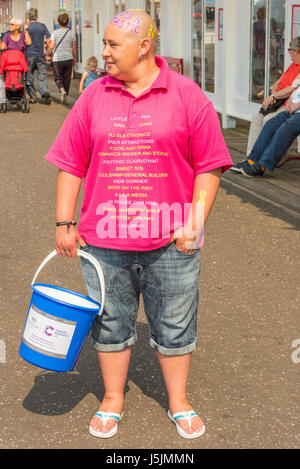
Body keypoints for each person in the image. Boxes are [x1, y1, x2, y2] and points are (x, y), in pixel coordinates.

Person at [45, 10, 232, 440]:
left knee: (176, 323)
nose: (103, 53)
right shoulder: (93, 96)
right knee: (111, 322)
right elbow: (71, 163)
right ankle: (113, 399)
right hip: (103, 241)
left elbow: (210, 165)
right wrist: (63, 222)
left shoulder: (187, 95)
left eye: (113, 45)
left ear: (144, 46)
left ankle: (179, 401)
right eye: (105, 44)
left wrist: (195, 221)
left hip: (172, 242)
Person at [244, 37, 300, 160]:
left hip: (289, 104)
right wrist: (274, 95)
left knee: (269, 120)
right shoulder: (292, 65)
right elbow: (277, 83)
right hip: (279, 101)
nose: (290, 55)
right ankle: (251, 156)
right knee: (256, 117)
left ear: (295, 50)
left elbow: (292, 88)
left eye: (290, 51)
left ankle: (272, 156)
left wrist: (274, 96)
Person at [231, 82, 300, 177]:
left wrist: (297, 105)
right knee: (271, 124)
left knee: (286, 129)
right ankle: (252, 160)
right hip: (294, 110)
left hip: (297, 110)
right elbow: (296, 88)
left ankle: (263, 165)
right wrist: (290, 101)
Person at [48, 13, 77, 104]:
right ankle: (65, 94)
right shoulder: (71, 33)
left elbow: (52, 46)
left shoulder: (55, 33)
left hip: (57, 59)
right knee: (67, 78)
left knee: (57, 77)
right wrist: (75, 58)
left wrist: (48, 54)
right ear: (68, 22)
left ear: (59, 22)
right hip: (69, 58)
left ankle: (62, 90)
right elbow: (74, 48)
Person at [25, 8, 51, 105]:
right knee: (42, 75)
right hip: (40, 54)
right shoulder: (42, 26)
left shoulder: (26, 27)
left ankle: (32, 97)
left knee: (29, 76)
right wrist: (48, 53)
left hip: (29, 55)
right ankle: (44, 92)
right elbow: (49, 41)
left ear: (28, 16)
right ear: (37, 15)